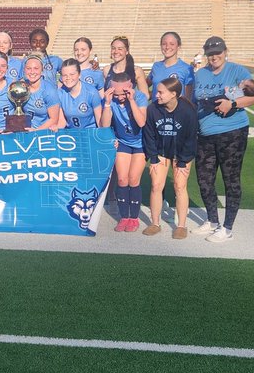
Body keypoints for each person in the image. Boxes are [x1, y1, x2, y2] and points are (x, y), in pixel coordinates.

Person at [193, 36, 254, 243]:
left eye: (218, 52)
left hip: (233, 132)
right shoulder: (200, 73)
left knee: (231, 179)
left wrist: (232, 104)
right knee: (204, 180)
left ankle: (227, 227)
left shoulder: (237, 70)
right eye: (211, 53)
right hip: (205, 134)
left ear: (225, 51)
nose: (214, 56)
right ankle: (213, 221)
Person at [142, 77, 196, 240]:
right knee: (156, 185)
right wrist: (154, 158)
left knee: (180, 186)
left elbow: (191, 138)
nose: (156, 95)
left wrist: (182, 161)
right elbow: (149, 135)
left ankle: (181, 226)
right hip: (161, 152)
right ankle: (155, 223)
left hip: (182, 153)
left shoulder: (187, 110)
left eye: (160, 92)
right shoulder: (153, 109)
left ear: (174, 94)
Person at [104, 71, 148, 232]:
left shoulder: (140, 97)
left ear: (130, 87)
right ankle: (124, 217)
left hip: (140, 143)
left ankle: (134, 218)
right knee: (122, 180)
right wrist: (107, 103)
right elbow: (104, 125)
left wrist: (131, 101)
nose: (120, 96)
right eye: (116, 93)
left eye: (123, 92)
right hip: (123, 142)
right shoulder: (112, 99)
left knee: (133, 179)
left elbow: (141, 122)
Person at [57, 59, 105, 129]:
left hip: (90, 134)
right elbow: (62, 122)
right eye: (65, 75)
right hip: (72, 134)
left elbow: (99, 122)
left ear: (79, 75)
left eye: (72, 74)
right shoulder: (59, 94)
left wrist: (106, 138)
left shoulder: (92, 93)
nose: (68, 78)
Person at [17, 55, 62, 132]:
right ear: (24, 70)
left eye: (36, 68)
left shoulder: (49, 90)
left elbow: (54, 119)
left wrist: (36, 131)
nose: (32, 72)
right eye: (28, 68)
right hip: (25, 132)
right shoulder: (22, 87)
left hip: (43, 133)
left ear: (42, 71)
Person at [149, 31, 195, 104]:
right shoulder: (156, 66)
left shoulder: (186, 68)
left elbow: (188, 97)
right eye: (164, 44)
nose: (167, 47)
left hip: (177, 112)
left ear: (178, 46)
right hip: (157, 112)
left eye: (172, 44)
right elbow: (145, 85)